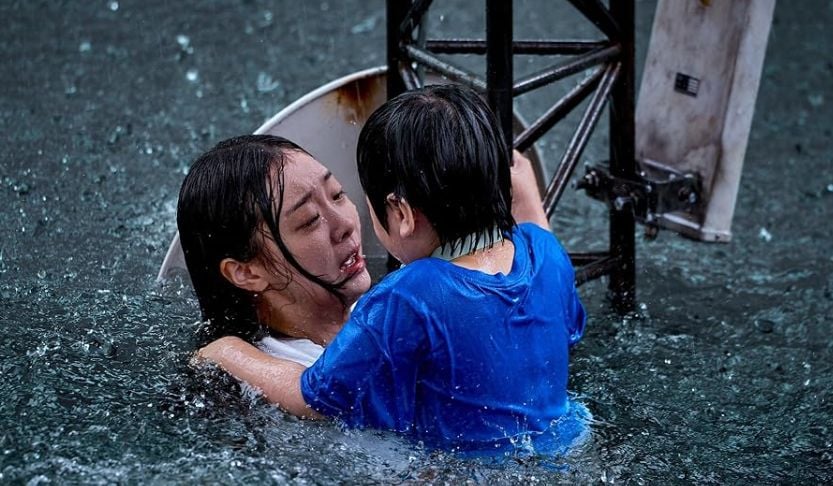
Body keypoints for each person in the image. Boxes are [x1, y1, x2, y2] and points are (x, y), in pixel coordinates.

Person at [195, 85, 587, 456]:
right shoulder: (544, 253)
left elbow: (313, 397)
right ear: (245, 272)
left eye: (339, 195)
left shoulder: (408, 296)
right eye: (310, 220)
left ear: (400, 212)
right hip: (572, 445)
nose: (346, 224)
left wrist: (227, 351)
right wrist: (529, 205)